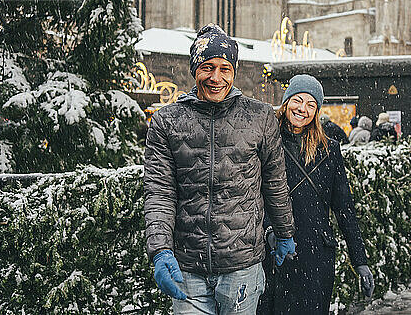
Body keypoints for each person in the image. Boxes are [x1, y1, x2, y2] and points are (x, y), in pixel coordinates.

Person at [144, 23, 296, 315]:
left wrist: (284, 231)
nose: (216, 78)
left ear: (234, 72)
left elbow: (275, 182)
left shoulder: (260, 117)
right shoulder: (167, 121)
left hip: (242, 266)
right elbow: (159, 192)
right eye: (207, 67)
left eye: (225, 69)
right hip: (187, 266)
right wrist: (161, 250)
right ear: (194, 69)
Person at [258, 74, 374, 315]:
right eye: (298, 100)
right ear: (286, 102)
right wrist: (269, 230)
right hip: (271, 252)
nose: (303, 109)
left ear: (317, 110)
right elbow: (253, 197)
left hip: (315, 257)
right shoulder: (266, 143)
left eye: (311, 104)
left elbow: (344, 208)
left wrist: (360, 260)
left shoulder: (329, 149)